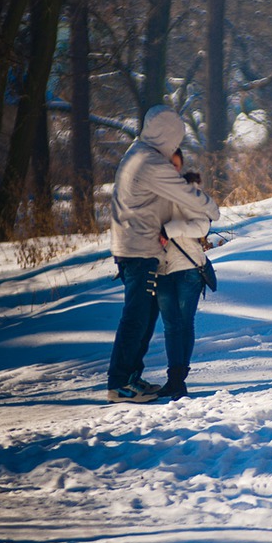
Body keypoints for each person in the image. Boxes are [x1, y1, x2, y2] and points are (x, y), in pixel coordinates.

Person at [107, 106, 219, 404]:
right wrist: (212, 208)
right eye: (176, 136)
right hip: (138, 249)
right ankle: (119, 383)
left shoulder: (137, 152)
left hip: (137, 248)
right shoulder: (150, 161)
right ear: (168, 134)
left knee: (144, 317)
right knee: (136, 318)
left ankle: (131, 377)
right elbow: (185, 194)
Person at [155, 149, 210, 400]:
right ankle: (174, 379)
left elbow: (202, 225)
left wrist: (170, 228)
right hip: (161, 269)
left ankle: (177, 379)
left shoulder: (189, 191)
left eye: (176, 165)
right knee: (170, 326)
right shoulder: (150, 192)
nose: (172, 169)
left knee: (184, 324)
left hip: (188, 268)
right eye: (168, 164)